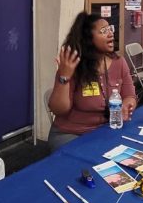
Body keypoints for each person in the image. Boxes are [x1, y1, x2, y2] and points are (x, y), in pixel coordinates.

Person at [47, 13, 137, 150]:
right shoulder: (72, 65)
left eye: (110, 29)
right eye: (103, 31)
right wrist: (63, 76)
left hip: (105, 130)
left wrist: (127, 104)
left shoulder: (120, 63)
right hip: (71, 134)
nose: (111, 34)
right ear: (88, 38)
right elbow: (58, 109)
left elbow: (130, 96)